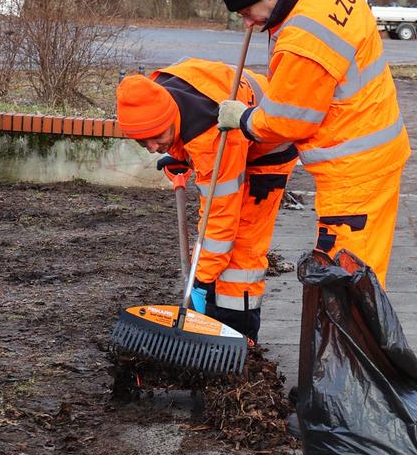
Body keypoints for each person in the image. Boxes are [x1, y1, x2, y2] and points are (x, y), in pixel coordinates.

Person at [217, 0, 410, 287]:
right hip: (379, 151)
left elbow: (287, 120)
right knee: (366, 275)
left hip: (352, 174)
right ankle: (360, 344)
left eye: (245, 11)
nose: (248, 23)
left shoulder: (301, 40)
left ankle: (353, 348)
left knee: (349, 285)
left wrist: (240, 117)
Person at [116, 58, 297, 342]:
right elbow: (182, 131)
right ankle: (212, 319)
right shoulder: (155, 94)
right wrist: (179, 154)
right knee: (215, 258)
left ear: (170, 119)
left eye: (156, 138)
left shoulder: (212, 137)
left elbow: (220, 218)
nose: (151, 148)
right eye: (143, 142)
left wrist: (199, 281)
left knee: (241, 253)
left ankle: (241, 338)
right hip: (231, 127)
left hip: (269, 144)